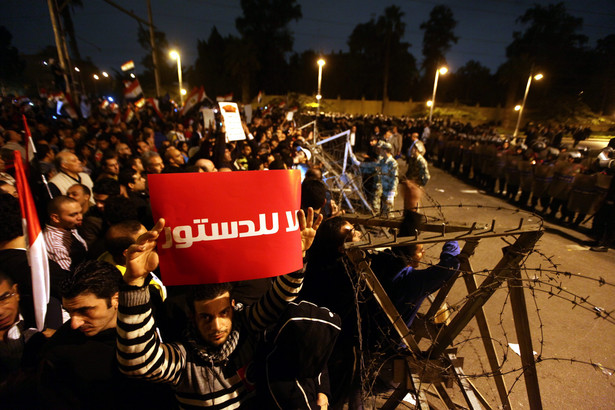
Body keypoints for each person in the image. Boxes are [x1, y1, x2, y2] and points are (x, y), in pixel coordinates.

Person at [116, 209, 325, 408]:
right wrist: (134, 281)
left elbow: (282, 296)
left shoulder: (246, 325)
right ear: (192, 316)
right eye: (205, 317)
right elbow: (137, 361)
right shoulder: (183, 360)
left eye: (223, 313)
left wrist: (297, 255)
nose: (217, 326)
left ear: (233, 307)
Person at [39, 260, 175, 409]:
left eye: (85, 311)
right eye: (70, 312)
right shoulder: (61, 352)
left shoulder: (161, 312)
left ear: (116, 299)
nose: (75, 323)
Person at [43, 196, 87, 272]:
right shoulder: (55, 244)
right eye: (73, 215)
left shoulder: (69, 227)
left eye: (81, 212)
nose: (80, 217)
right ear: (55, 218)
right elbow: (67, 274)